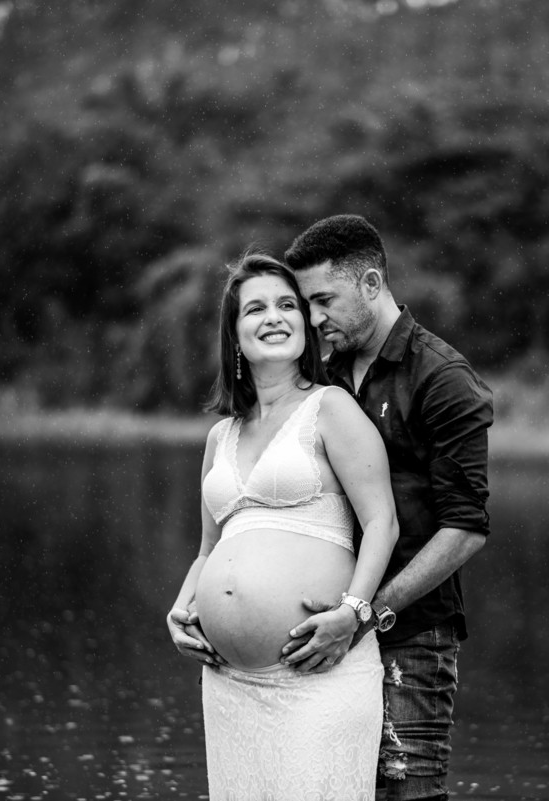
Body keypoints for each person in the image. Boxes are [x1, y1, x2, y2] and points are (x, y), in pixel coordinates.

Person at [165, 252, 399, 800]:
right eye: (255, 309)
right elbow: (208, 549)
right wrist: (179, 610)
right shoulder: (220, 436)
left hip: (315, 677)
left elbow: (382, 522)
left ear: (305, 324)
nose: (273, 316)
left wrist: (353, 611)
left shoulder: (330, 408)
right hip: (228, 684)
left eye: (287, 304)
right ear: (234, 334)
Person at [282, 215, 494, 800]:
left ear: (371, 284)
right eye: (307, 304)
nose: (313, 319)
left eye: (325, 300)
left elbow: (466, 529)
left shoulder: (443, 378)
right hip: (320, 626)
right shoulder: (320, 375)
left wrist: (366, 614)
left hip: (411, 632)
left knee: (406, 793)